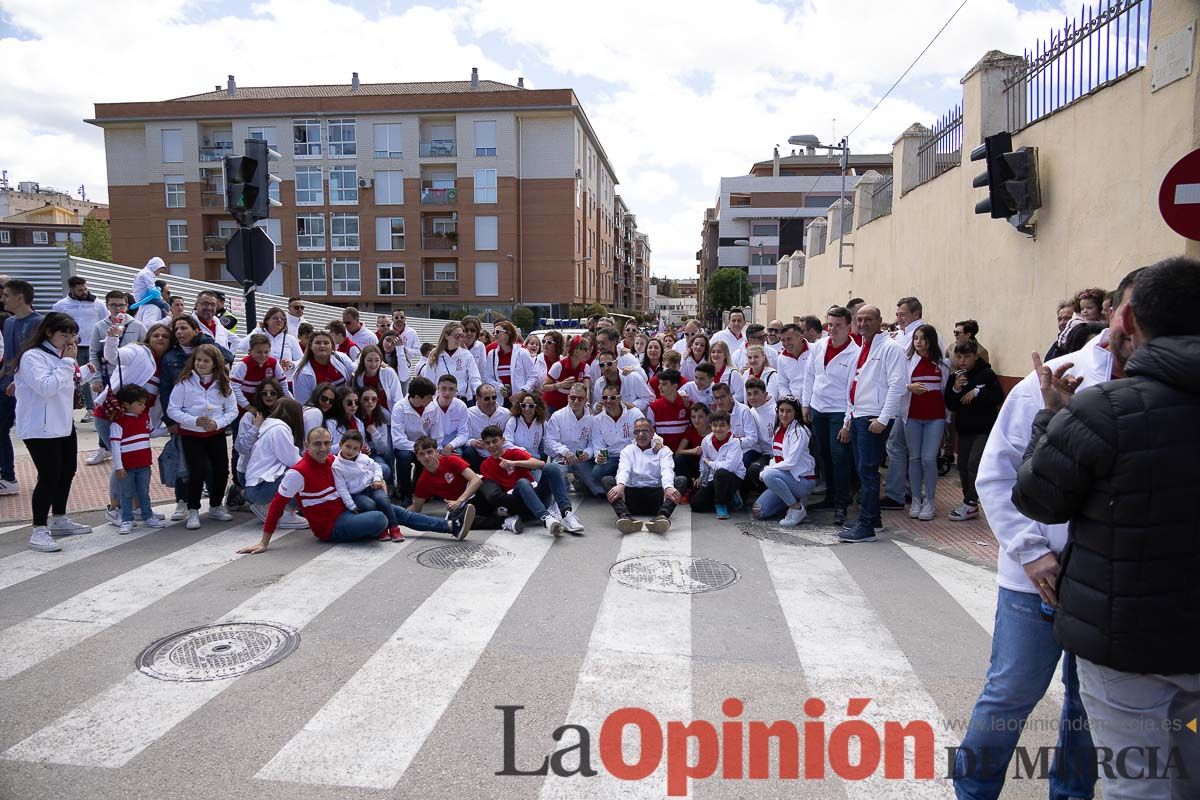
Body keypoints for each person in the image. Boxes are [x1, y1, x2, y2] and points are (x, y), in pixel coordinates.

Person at [1010, 259, 1200, 800]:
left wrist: (1050, 419)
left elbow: (1037, 499)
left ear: (1128, 320)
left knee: (1134, 784)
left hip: (1127, 647)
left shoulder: (1105, 409)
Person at [952, 274, 1147, 800]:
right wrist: (1033, 552)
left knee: (1086, 706)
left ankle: (1071, 794)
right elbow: (996, 475)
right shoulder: (1056, 377)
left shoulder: (1164, 393)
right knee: (1010, 693)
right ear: (1115, 314)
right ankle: (972, 793)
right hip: (1034, 580)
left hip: (1107, 580)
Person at [238, 426, 475, 554]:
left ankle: (450, 527)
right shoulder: (297, 473)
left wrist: (378, 479)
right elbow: (278, 503)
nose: (322, 448)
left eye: (325, 443)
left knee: (393, 510)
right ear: (306, 446)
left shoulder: (333, 460)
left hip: (349, 510)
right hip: (330, 527)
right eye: (316, 444)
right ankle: (381, 528)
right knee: (380, 518)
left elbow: (366, 465)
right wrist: (264, 542)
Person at [15, 312, 91, 551]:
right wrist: (68, 362)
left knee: (67, 470)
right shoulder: (32, 357)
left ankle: (59, 518)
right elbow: (46, 387)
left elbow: (67, 382)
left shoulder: (62, 354)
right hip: (39, 427)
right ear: (49, 333)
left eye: (73, 335)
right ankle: (38, 529)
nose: (69, 340)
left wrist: (85, 370)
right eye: (64, 334)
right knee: (49, 475)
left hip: (63, 423)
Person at [838, 305, 907, 543]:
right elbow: (853, 386)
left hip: (873, 418)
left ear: (879, 320)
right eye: (860, 319)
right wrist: (848, 420)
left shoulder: (891, 348)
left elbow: (897, 386)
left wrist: (883, 419)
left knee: (868, 472)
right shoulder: (862, 348)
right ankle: (873, 519)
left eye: (868, 319)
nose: (863, 323)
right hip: (859, 416)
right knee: (862, 470)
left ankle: (866, 526)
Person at [167, 343, 238, 530]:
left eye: (206, 361)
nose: (201, 364)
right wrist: (193, 421)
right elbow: (172, 410)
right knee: (196, 471)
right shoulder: (184, 383)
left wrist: (218, 423)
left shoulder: (223, 384)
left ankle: (215, 505)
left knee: (222, 471)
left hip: (216, 434)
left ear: (215, 363)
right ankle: (193, 510)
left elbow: (232, 410)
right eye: (198, 360)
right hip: (192, 435)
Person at [477, 425, 581, 535]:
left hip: (536, 495)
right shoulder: (485, 465)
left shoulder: (514, 453)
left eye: (495, 441)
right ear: (484, 445)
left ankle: (566, 514)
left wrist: (514, 463)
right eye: (488, 443)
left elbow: (540, 464)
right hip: (517, 501)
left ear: (502, 440)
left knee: (551, 468)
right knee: (522, 482)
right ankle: (546, 518)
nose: (492, 445)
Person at [86, 290, 148, 465]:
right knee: (104, 411)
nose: (118, 308)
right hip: (108, 376)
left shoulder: (137, 326)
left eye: (121, 305)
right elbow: (94, 353)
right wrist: (96, 378)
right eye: (113, 305)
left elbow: (146, 348)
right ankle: (104, 447)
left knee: (127, 413)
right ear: (107, 306)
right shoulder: (100, 326)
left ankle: (127, 446)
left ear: (127, 305)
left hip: (130, 379)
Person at [944, 339, 1002, 522]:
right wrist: (955, 388)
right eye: (958, 357)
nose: (962, 361)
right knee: (962, 465)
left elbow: (998, 396)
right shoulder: (955, 376)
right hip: (964, 428)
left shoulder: (986, 374)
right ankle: (968, 502)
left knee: (974, 464)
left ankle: (971, 501)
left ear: (975, 356)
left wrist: (977, 392)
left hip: (983, 428)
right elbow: (950, 403)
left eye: (967, 357)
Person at [603, 417, 688, 534]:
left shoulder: (664, 450)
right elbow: (624, 469)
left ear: (652, 432)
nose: (641, 435)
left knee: (681, 480)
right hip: (632, 496)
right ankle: (625, 517)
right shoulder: (627, 450)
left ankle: (662, 517)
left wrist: (668, 487)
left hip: (656, 497)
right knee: (607, 480)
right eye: (637, 432)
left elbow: (667, 470)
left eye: (645, 431)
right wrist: (621, 485)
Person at [901, 325, 950, 521]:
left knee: (928, 459)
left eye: (923, 338)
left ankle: (930, 500)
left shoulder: (942, 364)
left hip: (935, 418)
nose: (918, 342)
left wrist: (948, 418)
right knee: (913, 458)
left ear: (931, 340)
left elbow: (945, 391)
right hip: (912, 416)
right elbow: (896, 384)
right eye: (916, 338)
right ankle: (915, 499)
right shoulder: (906, 361)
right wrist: (908, 387)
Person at [0, 279, 42, 496]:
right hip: (6, 386)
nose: (2, 299)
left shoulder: (40, 323)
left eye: (6, 295)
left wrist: (20, 380)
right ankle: (7, 477)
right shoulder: (8, 323)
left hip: (29, 388)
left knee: (33, 433)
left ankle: (46, 474)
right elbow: (9, 356)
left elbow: (40, 359)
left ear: (20, 297)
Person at [884, 296, 926, 511]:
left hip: (913, 400)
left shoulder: (921, 334)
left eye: (903, 314)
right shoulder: (902, 334)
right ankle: (907, 489)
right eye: (898, 314)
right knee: (905, 448)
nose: (898, 318)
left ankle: (896, 493)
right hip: (901, 399)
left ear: (916, 314)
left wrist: (906, 386)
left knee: (898, 446)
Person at [408, 436, 501, 530]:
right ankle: (504, 522)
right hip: (466, 504)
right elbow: (416, 508)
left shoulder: (451, 460)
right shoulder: (423, 481)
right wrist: (396, 514)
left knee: (493, 494)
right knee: (455, 520)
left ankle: (509, 509)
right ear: (417, 457)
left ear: (436, 452)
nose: (426, 457)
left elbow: (476, 480)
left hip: (478, 489)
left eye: (429, 452)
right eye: (422, 454)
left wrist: (459, 501)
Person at [242, 399, 308, 528]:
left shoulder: (271, 427)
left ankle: (270, 506)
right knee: (301, 474)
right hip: (260, 489)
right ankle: (285, 512)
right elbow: (293, 460)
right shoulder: (280, 429)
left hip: (257, 487)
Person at [110, 385, 165, 534]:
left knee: (143, 491)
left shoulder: (145, 418)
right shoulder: (118, 423)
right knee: (126, 494)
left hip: (144, 464)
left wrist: (167, 430)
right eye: (139, 404)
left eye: (144, 404)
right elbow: (115, 447)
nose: (143, 407)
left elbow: (152, 433)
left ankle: (148, 516)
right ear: (126, 404)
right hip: (127, 466)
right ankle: (127, 519)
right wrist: (119, 467)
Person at [753, 397, 816, 526]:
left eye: (789, 411)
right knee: (758, 511)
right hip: (787, 479)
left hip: (803, 480)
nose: (784, 414)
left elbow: (791, 463)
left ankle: (796, 508)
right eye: (781, 410)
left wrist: (767, 470)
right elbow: (776, 458)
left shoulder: (799, 432)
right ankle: (791, 500)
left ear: (795, 413)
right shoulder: (778, 429)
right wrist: (769, 468)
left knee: (768, 475)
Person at [332, 430, 404, 541]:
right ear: (341, 445)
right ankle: (381, 530)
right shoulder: (337, 466)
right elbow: (341, 488)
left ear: (360, 449)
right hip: (356, 493)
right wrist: (351, 505)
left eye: (355, 449)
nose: (351, 451)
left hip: (372, 486)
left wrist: (377, 480)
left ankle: (394, 528)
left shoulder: (363, 458)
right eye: (348, 446)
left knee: (383, 499)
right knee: (369, 504)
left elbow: (377, 467)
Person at [53, 276, 106, 422]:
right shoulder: (61, 305)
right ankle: (85, 408)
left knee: (95, 376)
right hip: (72, 347)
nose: (84, 292)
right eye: (80, 290)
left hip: (94, 345)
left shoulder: (98, 303)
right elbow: (55, 324)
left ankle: (97, 407)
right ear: (71, 289)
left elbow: (105, 321)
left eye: (85, 289)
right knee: (75, 378)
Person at [390, 376, 442, 505]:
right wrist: (419, 448)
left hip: (426, 445)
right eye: (429, 397)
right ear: (417, 397)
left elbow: (437, 432)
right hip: (406, 447)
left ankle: (421, 491)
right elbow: (398, 440)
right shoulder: (399, 408)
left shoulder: (433, 406)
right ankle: (405, 494)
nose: (432, 399)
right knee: (404, 458)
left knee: (429, 457)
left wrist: (435, 449)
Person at [544, 382, 600, 496]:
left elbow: (593, 442)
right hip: (562, 457)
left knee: (597, 490)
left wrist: (588, 453)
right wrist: (565, 451)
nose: (576, 401)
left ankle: (580, 482)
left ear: (586, 400)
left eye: (580, 398)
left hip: (581, 459)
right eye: (573, 397)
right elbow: (549, 441)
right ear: (568, 398)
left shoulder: (592, 419)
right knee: (560, 491)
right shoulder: (557, 416)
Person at [690, 410, 744, 520]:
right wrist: (703, 477)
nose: (718, 429)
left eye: (722, 425)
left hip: (733, 477)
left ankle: (721, 504)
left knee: (721, 473)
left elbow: (728, 467)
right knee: (696, 505)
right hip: (714, 478)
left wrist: (710, 462)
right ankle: (729, 498)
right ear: (711, 426)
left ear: (729, 426)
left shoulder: (735, 442)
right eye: (715, 425)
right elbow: (703, 460)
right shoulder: (706, 441)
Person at [590, 384, 644, 488]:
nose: (608, 401)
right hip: (612, 457)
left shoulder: (634, 413)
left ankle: (619, 484)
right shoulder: (597, 420)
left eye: (613, 397)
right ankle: (623, 482)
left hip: (632, 455)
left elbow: (646, 432)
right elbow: (598, 445)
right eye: (605, 397)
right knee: (597, 473)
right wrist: (599, 457)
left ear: (619, 398)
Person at [419, 321, 481, 403]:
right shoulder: (435, 354)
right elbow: (429, 380)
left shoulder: (467, 355)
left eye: (462, 336)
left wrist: (481, 393)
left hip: (462, 400)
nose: (460, 339)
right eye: (457, 336)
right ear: (446, 336)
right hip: (441, 400)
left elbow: (475, 378)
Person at [293, 331, 356, 405]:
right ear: (311, 346)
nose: (322, 346)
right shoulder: (301, 373)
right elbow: (303, 404)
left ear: (332, 346)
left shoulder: (341, 358)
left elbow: (356, 372)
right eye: (318, 343)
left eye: (326, 343)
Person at [239, 307, 302, 377]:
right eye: (275, 318)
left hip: (285, 380)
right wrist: (258, 330)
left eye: (283, 319)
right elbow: (243, 346)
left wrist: (292, 364)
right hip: (262, 380)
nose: (279, 320)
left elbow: (301, 360)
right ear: (267, 320)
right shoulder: (259, 335)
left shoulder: (290, 339)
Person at [484, 320, 536, 404]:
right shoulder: (492, 354)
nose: (495, 334)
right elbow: (487, 377)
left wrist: (523, 392)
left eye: (498, 332)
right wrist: (499, 387)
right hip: (499, 401)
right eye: (494, 332)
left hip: (520, 400)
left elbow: (533, 376)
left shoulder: (522, 352)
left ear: (508, 333)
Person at [542, 334, 592, 412]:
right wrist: (560, 385)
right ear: (576, 352)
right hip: (552, 405)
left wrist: (587, 404)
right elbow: (544, 387)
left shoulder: (585, 367)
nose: (588, 352)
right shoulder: (559, 366)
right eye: (586, 349)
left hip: (571, 406)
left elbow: (586, 389)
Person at [465, 384, 508, 472]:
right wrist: (471, 442)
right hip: (479, 454)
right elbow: (464, 436)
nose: (491, 401)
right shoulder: (469, 413)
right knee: (468, 452)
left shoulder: (506, 413)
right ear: (477, 398)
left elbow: (510, 436)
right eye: (487, 398)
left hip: (500, 454)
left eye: (494, 397)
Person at [352, 344, 403, 412]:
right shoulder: (358, 377)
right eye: (369, 360)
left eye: (377, 360)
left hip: (388, 416)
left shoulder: (389, 373)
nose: (373, 364)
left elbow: (397, 398)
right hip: (366, 416)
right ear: (363, 361)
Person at [433, 374, 471, 457]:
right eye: (443, 388)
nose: (447, 393)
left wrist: (451, 445)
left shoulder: (461, 406)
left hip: (452, 441)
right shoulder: (429, 406)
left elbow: (463, 433)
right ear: (437, 388)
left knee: (457, 455)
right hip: (432, 443)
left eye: (451, 389)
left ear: (456, 391)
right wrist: (437, 448)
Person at [503, 389, 545, 457]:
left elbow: (547, 443)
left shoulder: (542, 423)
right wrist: (522, 451)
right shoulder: (513, 421)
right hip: (516, 459)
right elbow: (506, 442)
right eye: (523, 405)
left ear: (537, 407)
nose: (526, 409)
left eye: (531, 406)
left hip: (534, 460)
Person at [324, 386, 367, 450]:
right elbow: (326, 449)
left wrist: (365, 448)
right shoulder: (331, 423)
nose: (353, 405)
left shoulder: (359, 422)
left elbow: (362, 442)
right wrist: (345, 445)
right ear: (340, 403)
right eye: (349, 402)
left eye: (356, 402)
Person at [774, 323, 809, 400]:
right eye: (783, 340)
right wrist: (789, 399)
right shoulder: (781, 358)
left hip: (816, 404)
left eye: (789, 339)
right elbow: (782, 384)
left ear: (800, 338)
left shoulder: (815, 350)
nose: (786, 343)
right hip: (796, 405)